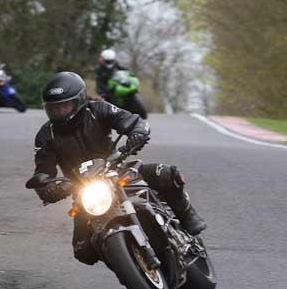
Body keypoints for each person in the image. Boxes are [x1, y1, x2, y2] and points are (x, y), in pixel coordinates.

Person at [28, 72, 207, 265]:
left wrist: (137, 134)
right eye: (54, 108)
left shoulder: (98, 109)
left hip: (117, 169)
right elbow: (42, 171)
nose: (60, 112)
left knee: (167, 175)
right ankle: (127, 261)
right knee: (83, 251)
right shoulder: (46, 135)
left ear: (79, 100)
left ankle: (186, 215)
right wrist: (47, 188)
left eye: (65, 106)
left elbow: (133, 121)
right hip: (82, 189)